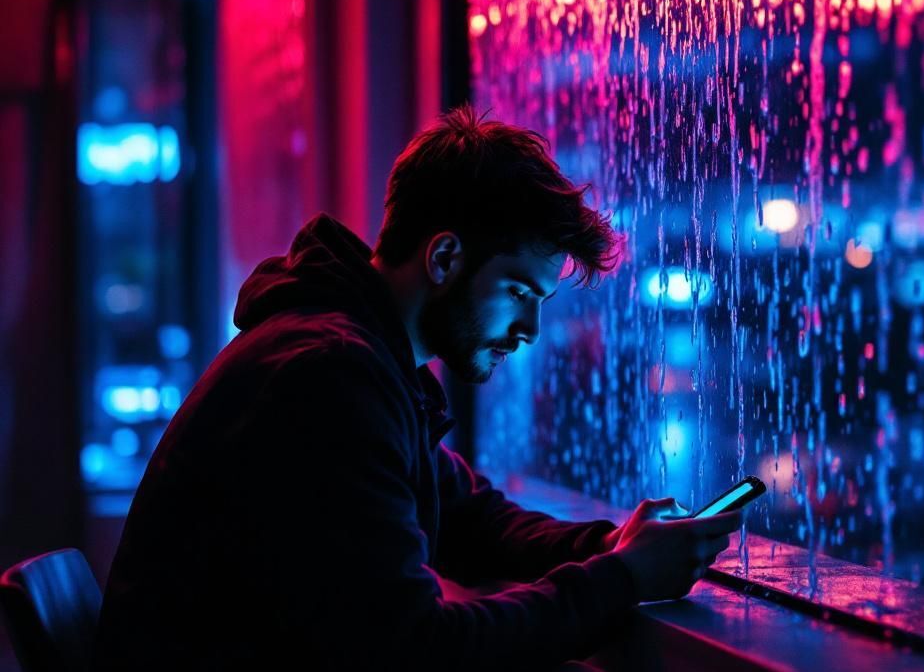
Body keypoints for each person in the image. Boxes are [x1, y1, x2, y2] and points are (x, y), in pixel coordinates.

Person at [91, 106, 743, 670]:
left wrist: (610, 546)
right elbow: (414, 652)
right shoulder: (328, 376)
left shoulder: (356, 358)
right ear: (444, 258)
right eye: (518, 291)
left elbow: (467, 516)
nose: (530, 329)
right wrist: (623, 578)